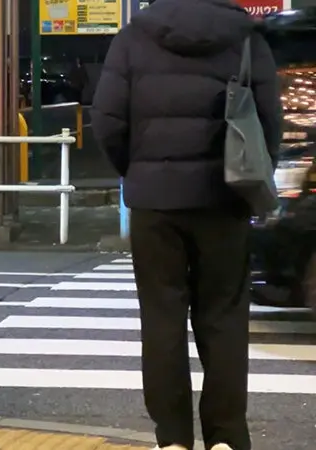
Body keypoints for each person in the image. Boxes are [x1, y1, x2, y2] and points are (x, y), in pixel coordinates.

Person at [90, 1, 282, 450]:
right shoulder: (246, 39)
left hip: (155, 204)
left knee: (162, 319)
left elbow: (107, 120)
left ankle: (173, 438)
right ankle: (226, 437)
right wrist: (251, 176)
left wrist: (137, 170)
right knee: (224, 319)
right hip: (224, 200)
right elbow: (269, 122)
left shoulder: (134, 37)